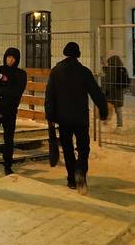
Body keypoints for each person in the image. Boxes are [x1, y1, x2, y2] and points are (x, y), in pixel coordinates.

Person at [45, 42, 108, 193]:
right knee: (83, 148)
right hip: (80, 118)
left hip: (63, 118)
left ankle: (71, 180)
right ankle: (80, 170)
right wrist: (103, 109)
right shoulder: (84, 72)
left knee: (67, 148)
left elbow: (50, 95)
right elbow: (96, 93)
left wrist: (50, 115)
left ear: (65, 53)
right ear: (78, 54)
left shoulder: (56, 71)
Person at [0, 47, 27, 175]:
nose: (11, 60)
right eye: (9, 57)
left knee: (9, 138)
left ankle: (8, 164)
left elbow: (16, 91)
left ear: (17, 60)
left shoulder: (21, 74)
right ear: (5, 57)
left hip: (9, 110)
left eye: (13, 58)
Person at [102, 55, 130, 128]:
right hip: (119, 92)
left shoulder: (111, 69)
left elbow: (108, 80)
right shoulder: (121, 68)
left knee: (108, 107)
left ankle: (106, 121)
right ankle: (120, 125)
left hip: (111, 92)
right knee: (118, 109)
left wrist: (105, 91)